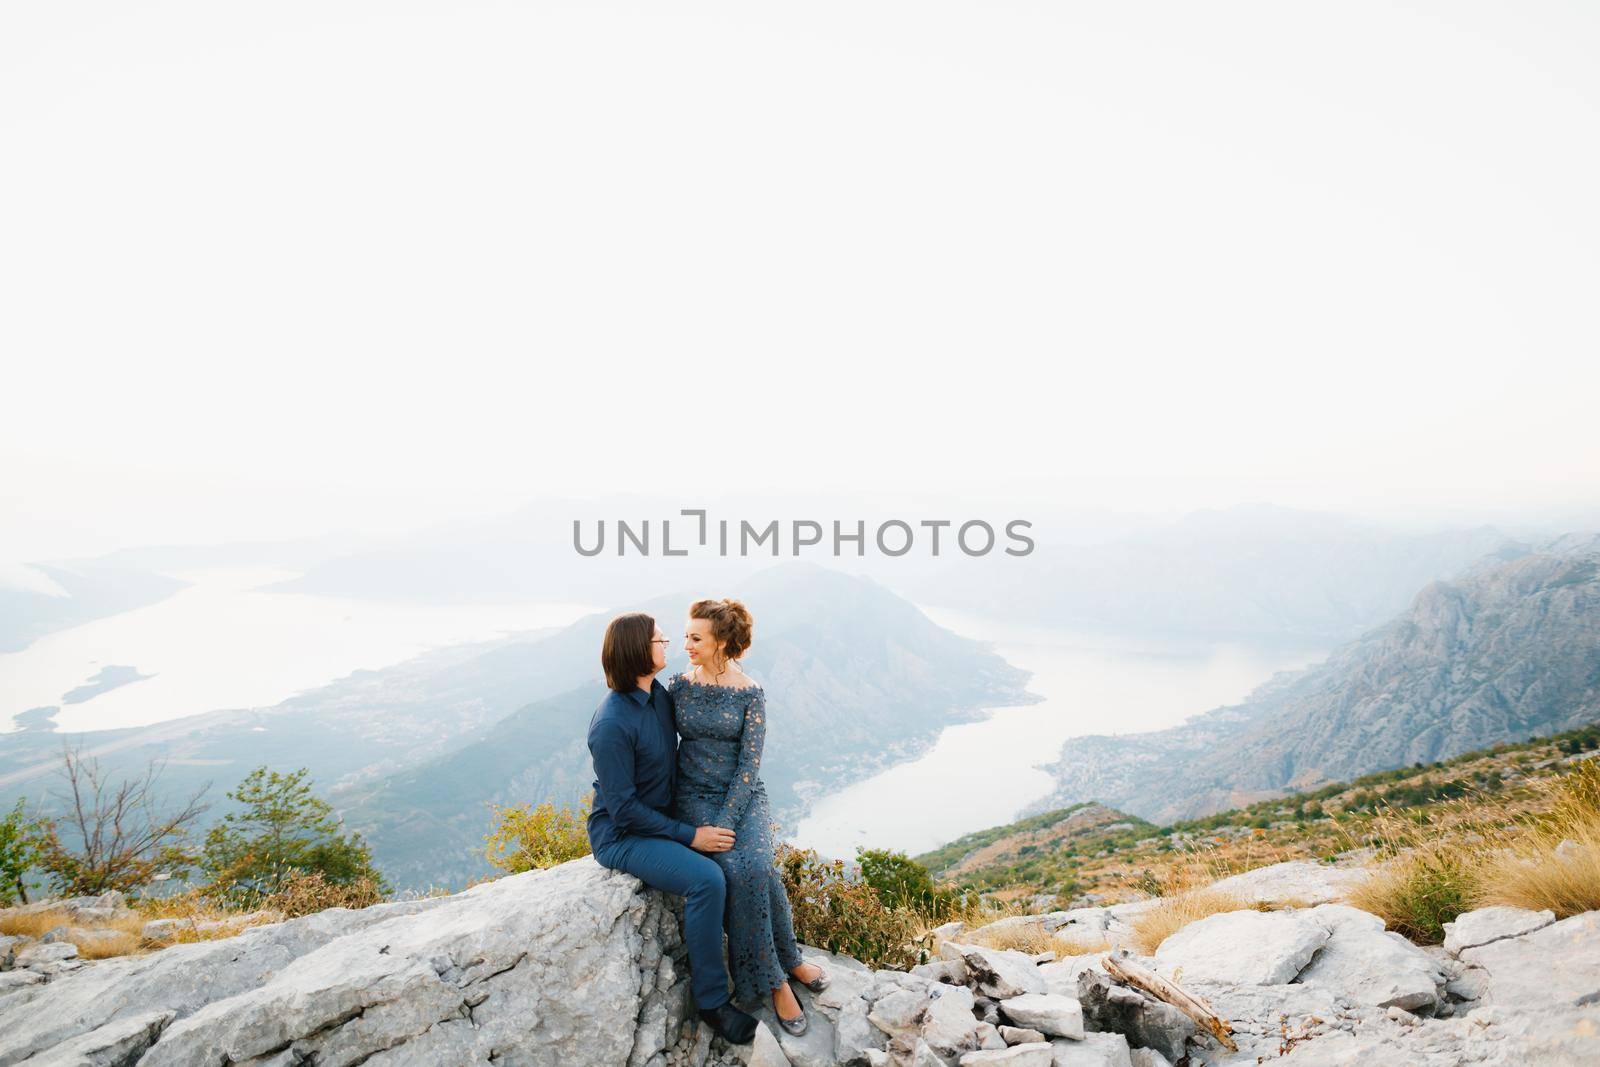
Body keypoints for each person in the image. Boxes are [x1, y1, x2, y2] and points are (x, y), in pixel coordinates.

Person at [585, 612, 759, 1045]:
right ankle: (713, 1003)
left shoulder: (660, 697)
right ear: (637, 652)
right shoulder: (611, 724)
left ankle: (764, 970)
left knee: (742, 863)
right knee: (706, 880)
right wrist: (690, 836)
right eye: (659, 639)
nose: (668, 644)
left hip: (663, 815)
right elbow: (623, 810)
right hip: (622, 835)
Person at [670, 597, 829, 1037]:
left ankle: (788, 959)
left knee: (756, 867)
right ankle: (776, 978)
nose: (686, 644)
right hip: (693, 799)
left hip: (742, 797)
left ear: (720, 642)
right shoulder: (678, 686)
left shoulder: (751, 693)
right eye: (685, 635)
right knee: (734, 872)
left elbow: (748, 766)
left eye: (695, 637)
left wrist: (726, 819)